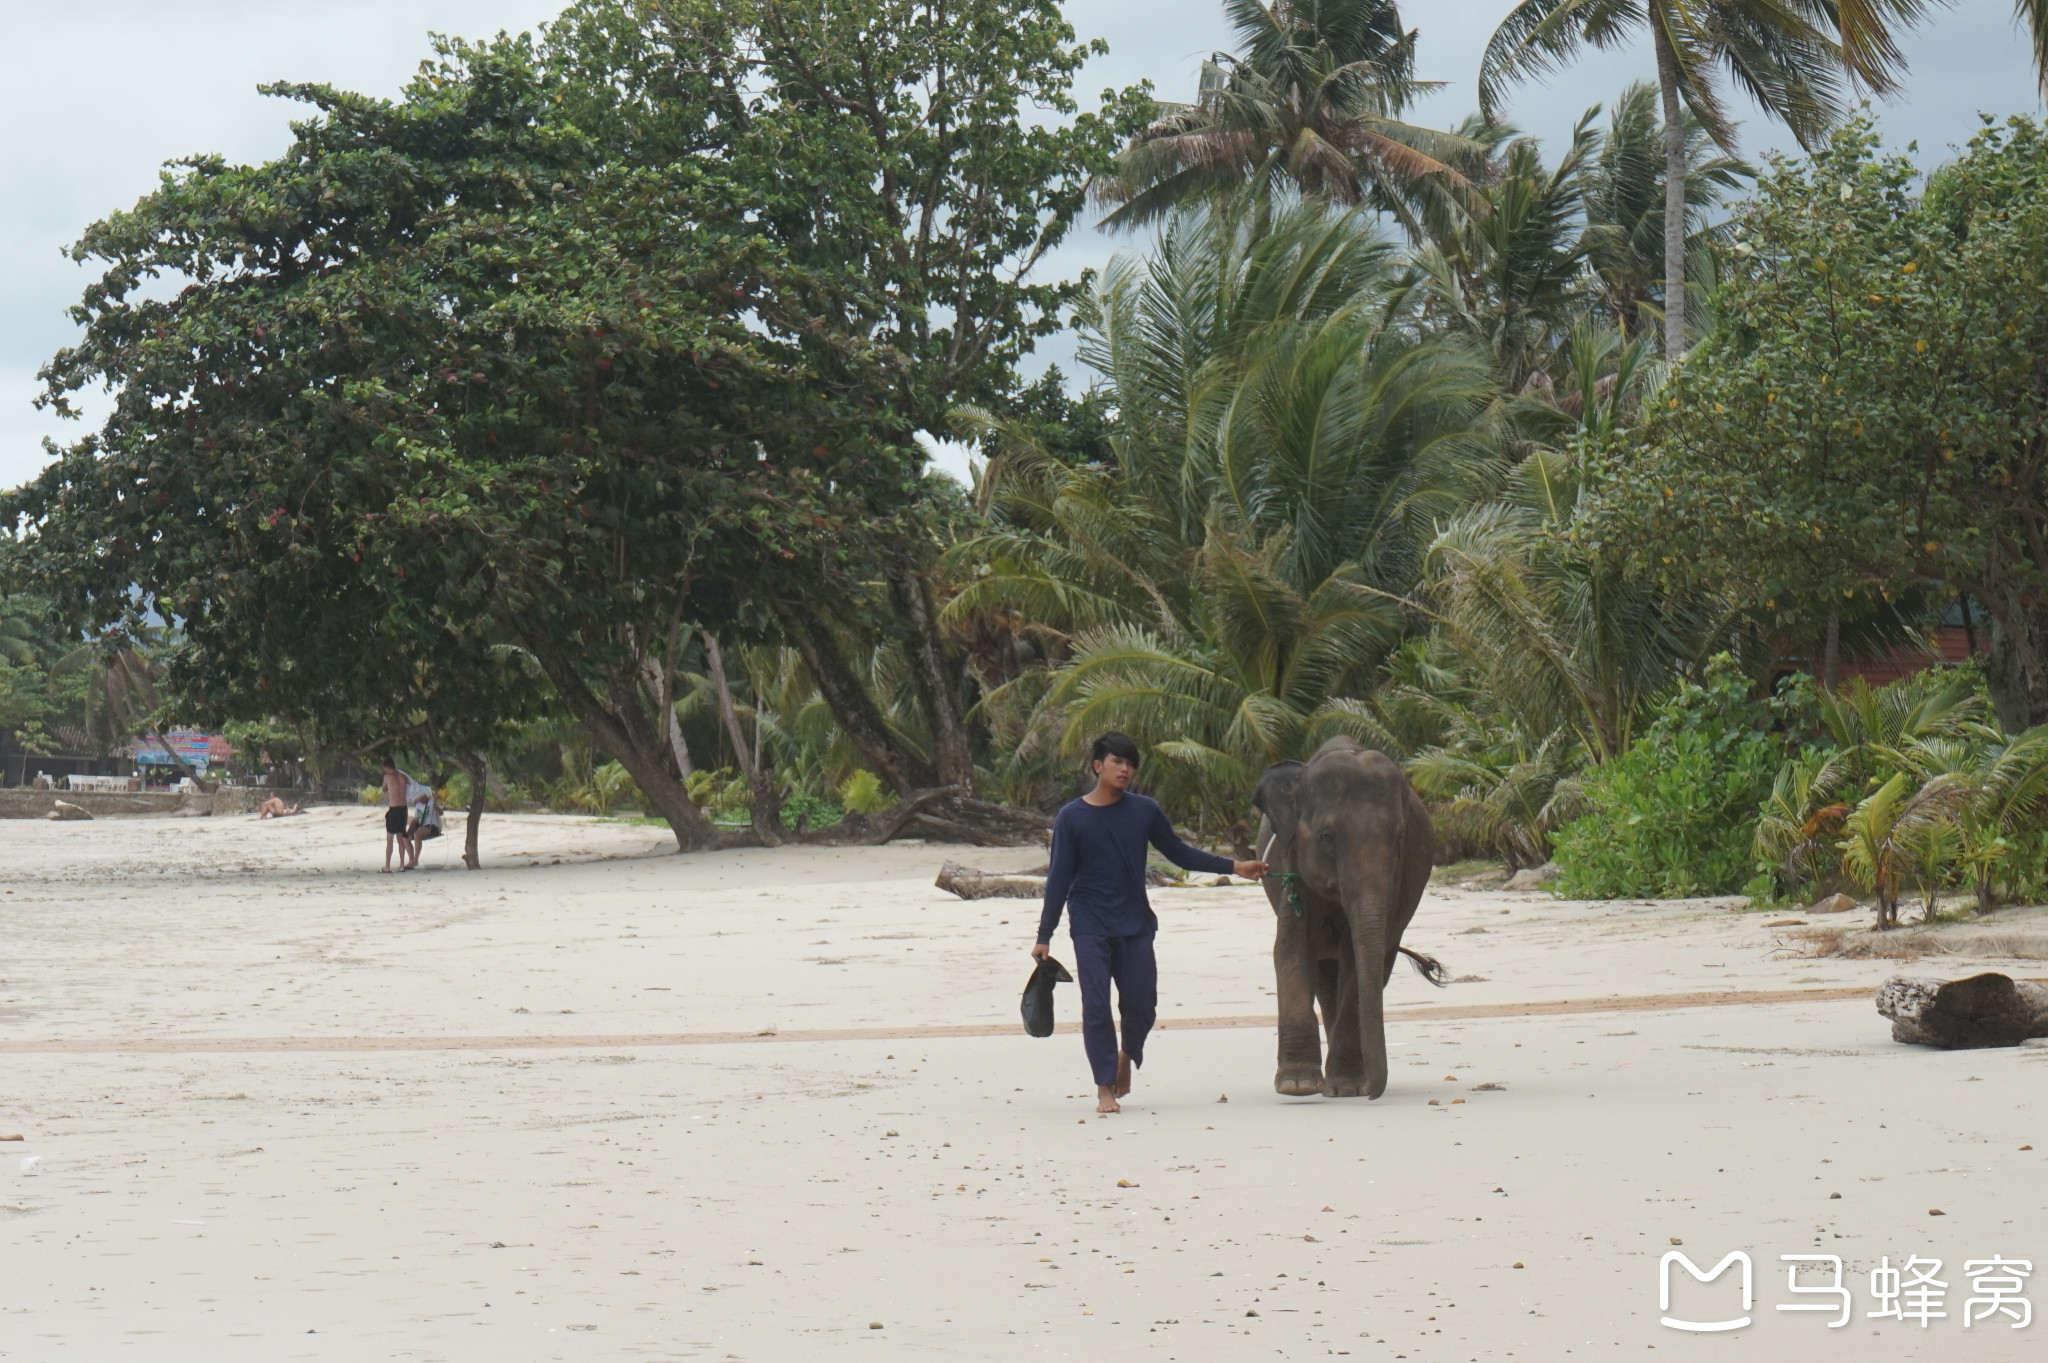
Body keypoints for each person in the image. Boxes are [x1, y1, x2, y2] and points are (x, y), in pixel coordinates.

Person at [1033, 732, 1267, 1115]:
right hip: (1090, 922)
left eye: (1130, 764)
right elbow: (1059, 878)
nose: (1125, 769)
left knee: (1142, 1005)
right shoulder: (1072, 817)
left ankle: (1128, 1053)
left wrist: (1235, 866)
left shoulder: (1144, 811)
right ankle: (1104, 1086)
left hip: (1135, 922)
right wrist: (1045, 935)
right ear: (1097, 766)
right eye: (1117, 762)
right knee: (1095, 1005)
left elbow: (1178, 853)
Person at [379, 760, 411, 872]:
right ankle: (402, 865)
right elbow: (411, 785)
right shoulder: (403, 776)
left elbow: (384, 789)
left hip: (394, 808)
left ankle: (387, 865)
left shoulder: (387, 777)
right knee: (400, 837)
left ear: (387, 768)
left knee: (390, 838)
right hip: (403, 809)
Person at [404, 792, 444, 868]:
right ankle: (411, 860)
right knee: (405, 838)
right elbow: (416, 819)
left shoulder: (432, 802)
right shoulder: (418, 806)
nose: (421, 799)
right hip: (423, 826)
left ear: (426, 796)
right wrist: (409, 831)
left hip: (433, 826)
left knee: (417, 834)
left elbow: (441, 813)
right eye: (419, 798)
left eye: (422, 797)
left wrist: (438, 809)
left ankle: (416, 860)